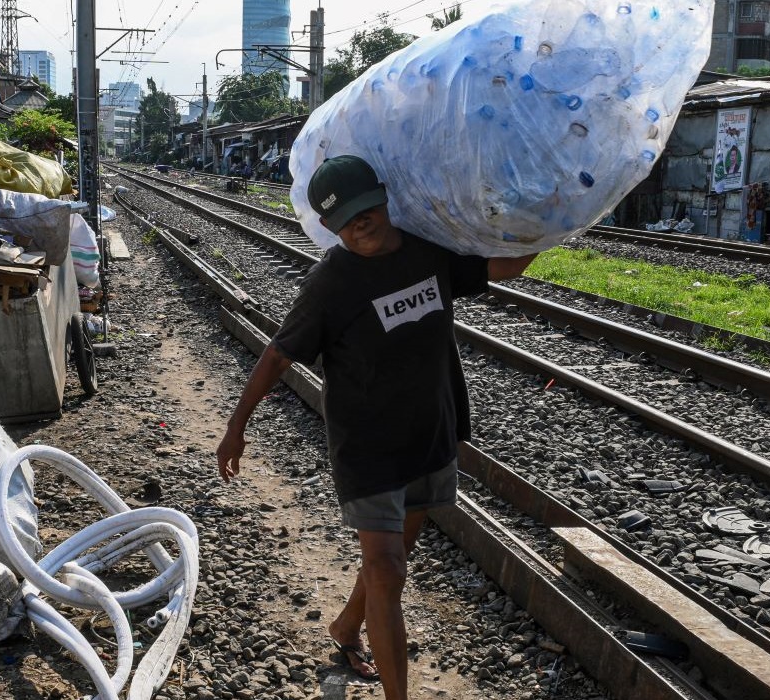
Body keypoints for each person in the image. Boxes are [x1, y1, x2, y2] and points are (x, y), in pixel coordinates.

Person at [215, 155, 536, 700]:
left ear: (384, 198)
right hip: (368, 446)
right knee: (387, 569)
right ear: (332, 228)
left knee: (391, 561)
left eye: (366, 211)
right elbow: (279, 354)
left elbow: (502, 268)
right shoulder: (331, 283)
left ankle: (345, 629)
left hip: (430, 432)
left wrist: (558, 221)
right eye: (345, 222)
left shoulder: (427, 255)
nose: (359, 226)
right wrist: (236, 425)